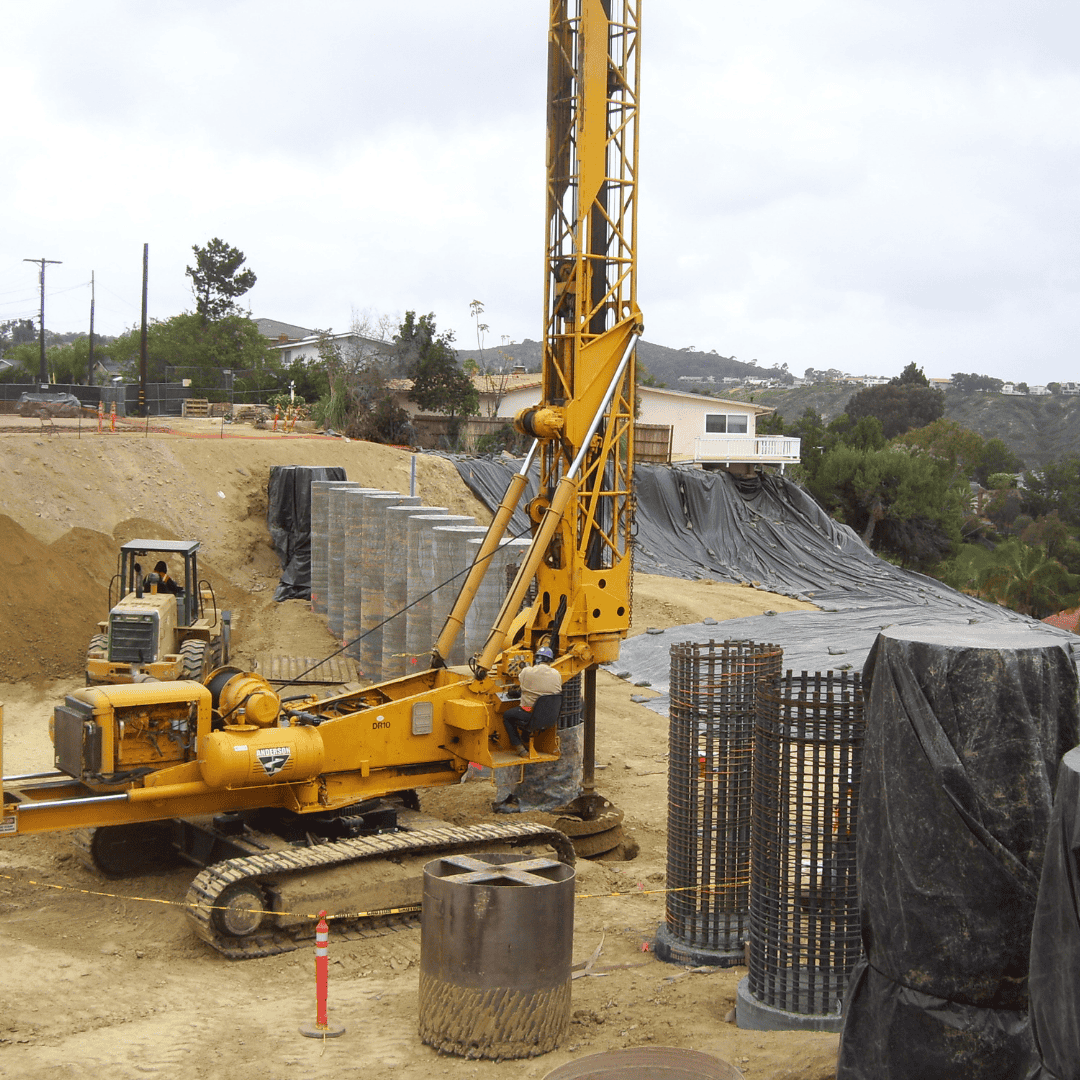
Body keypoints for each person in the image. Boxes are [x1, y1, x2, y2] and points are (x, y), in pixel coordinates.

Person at [502, 646, 563, 757]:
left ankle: (519, 747)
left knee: (507, 715)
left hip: (530, 716)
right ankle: (525, 738)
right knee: (530, 708)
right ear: (550, 661)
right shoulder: (557, 674)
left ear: (536, 659)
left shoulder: (527, 671)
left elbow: (520, 683)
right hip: (550, 718)